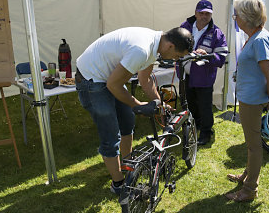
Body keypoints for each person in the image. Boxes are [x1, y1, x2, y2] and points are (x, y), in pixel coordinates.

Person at [75, 27, 194, 195]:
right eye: (177, 56)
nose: (176, 60)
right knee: (110, 134)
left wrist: (157, 102)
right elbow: (113, 85)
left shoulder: (156, 44)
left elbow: (144, 79)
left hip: (109, 77)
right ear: (171, 46)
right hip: (91, 78)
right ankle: (118, 184)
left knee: (127, 122)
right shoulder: (142, 49)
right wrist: (137, 104)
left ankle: (128, 165)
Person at [225, 0, 269, 202]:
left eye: (236, 14)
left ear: (246, 17)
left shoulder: (260, 39)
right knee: (252, 143)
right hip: (250, 98)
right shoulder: (256, 37)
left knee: (254, 145)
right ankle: (247, 176)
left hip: (253, 100)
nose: (234, 17)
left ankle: (249, 189)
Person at [179, 0, 228, 145]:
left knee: (205, 106)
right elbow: (176, 44)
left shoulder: (217, 33)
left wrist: (206, 55)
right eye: (201, 13)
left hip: (204, 77)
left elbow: (221, 57)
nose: (204, 16)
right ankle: (195, 126)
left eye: (208, 13)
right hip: (185, 74)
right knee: (190, 103)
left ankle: (206, 133)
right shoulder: (185, 26)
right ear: (196, 13)